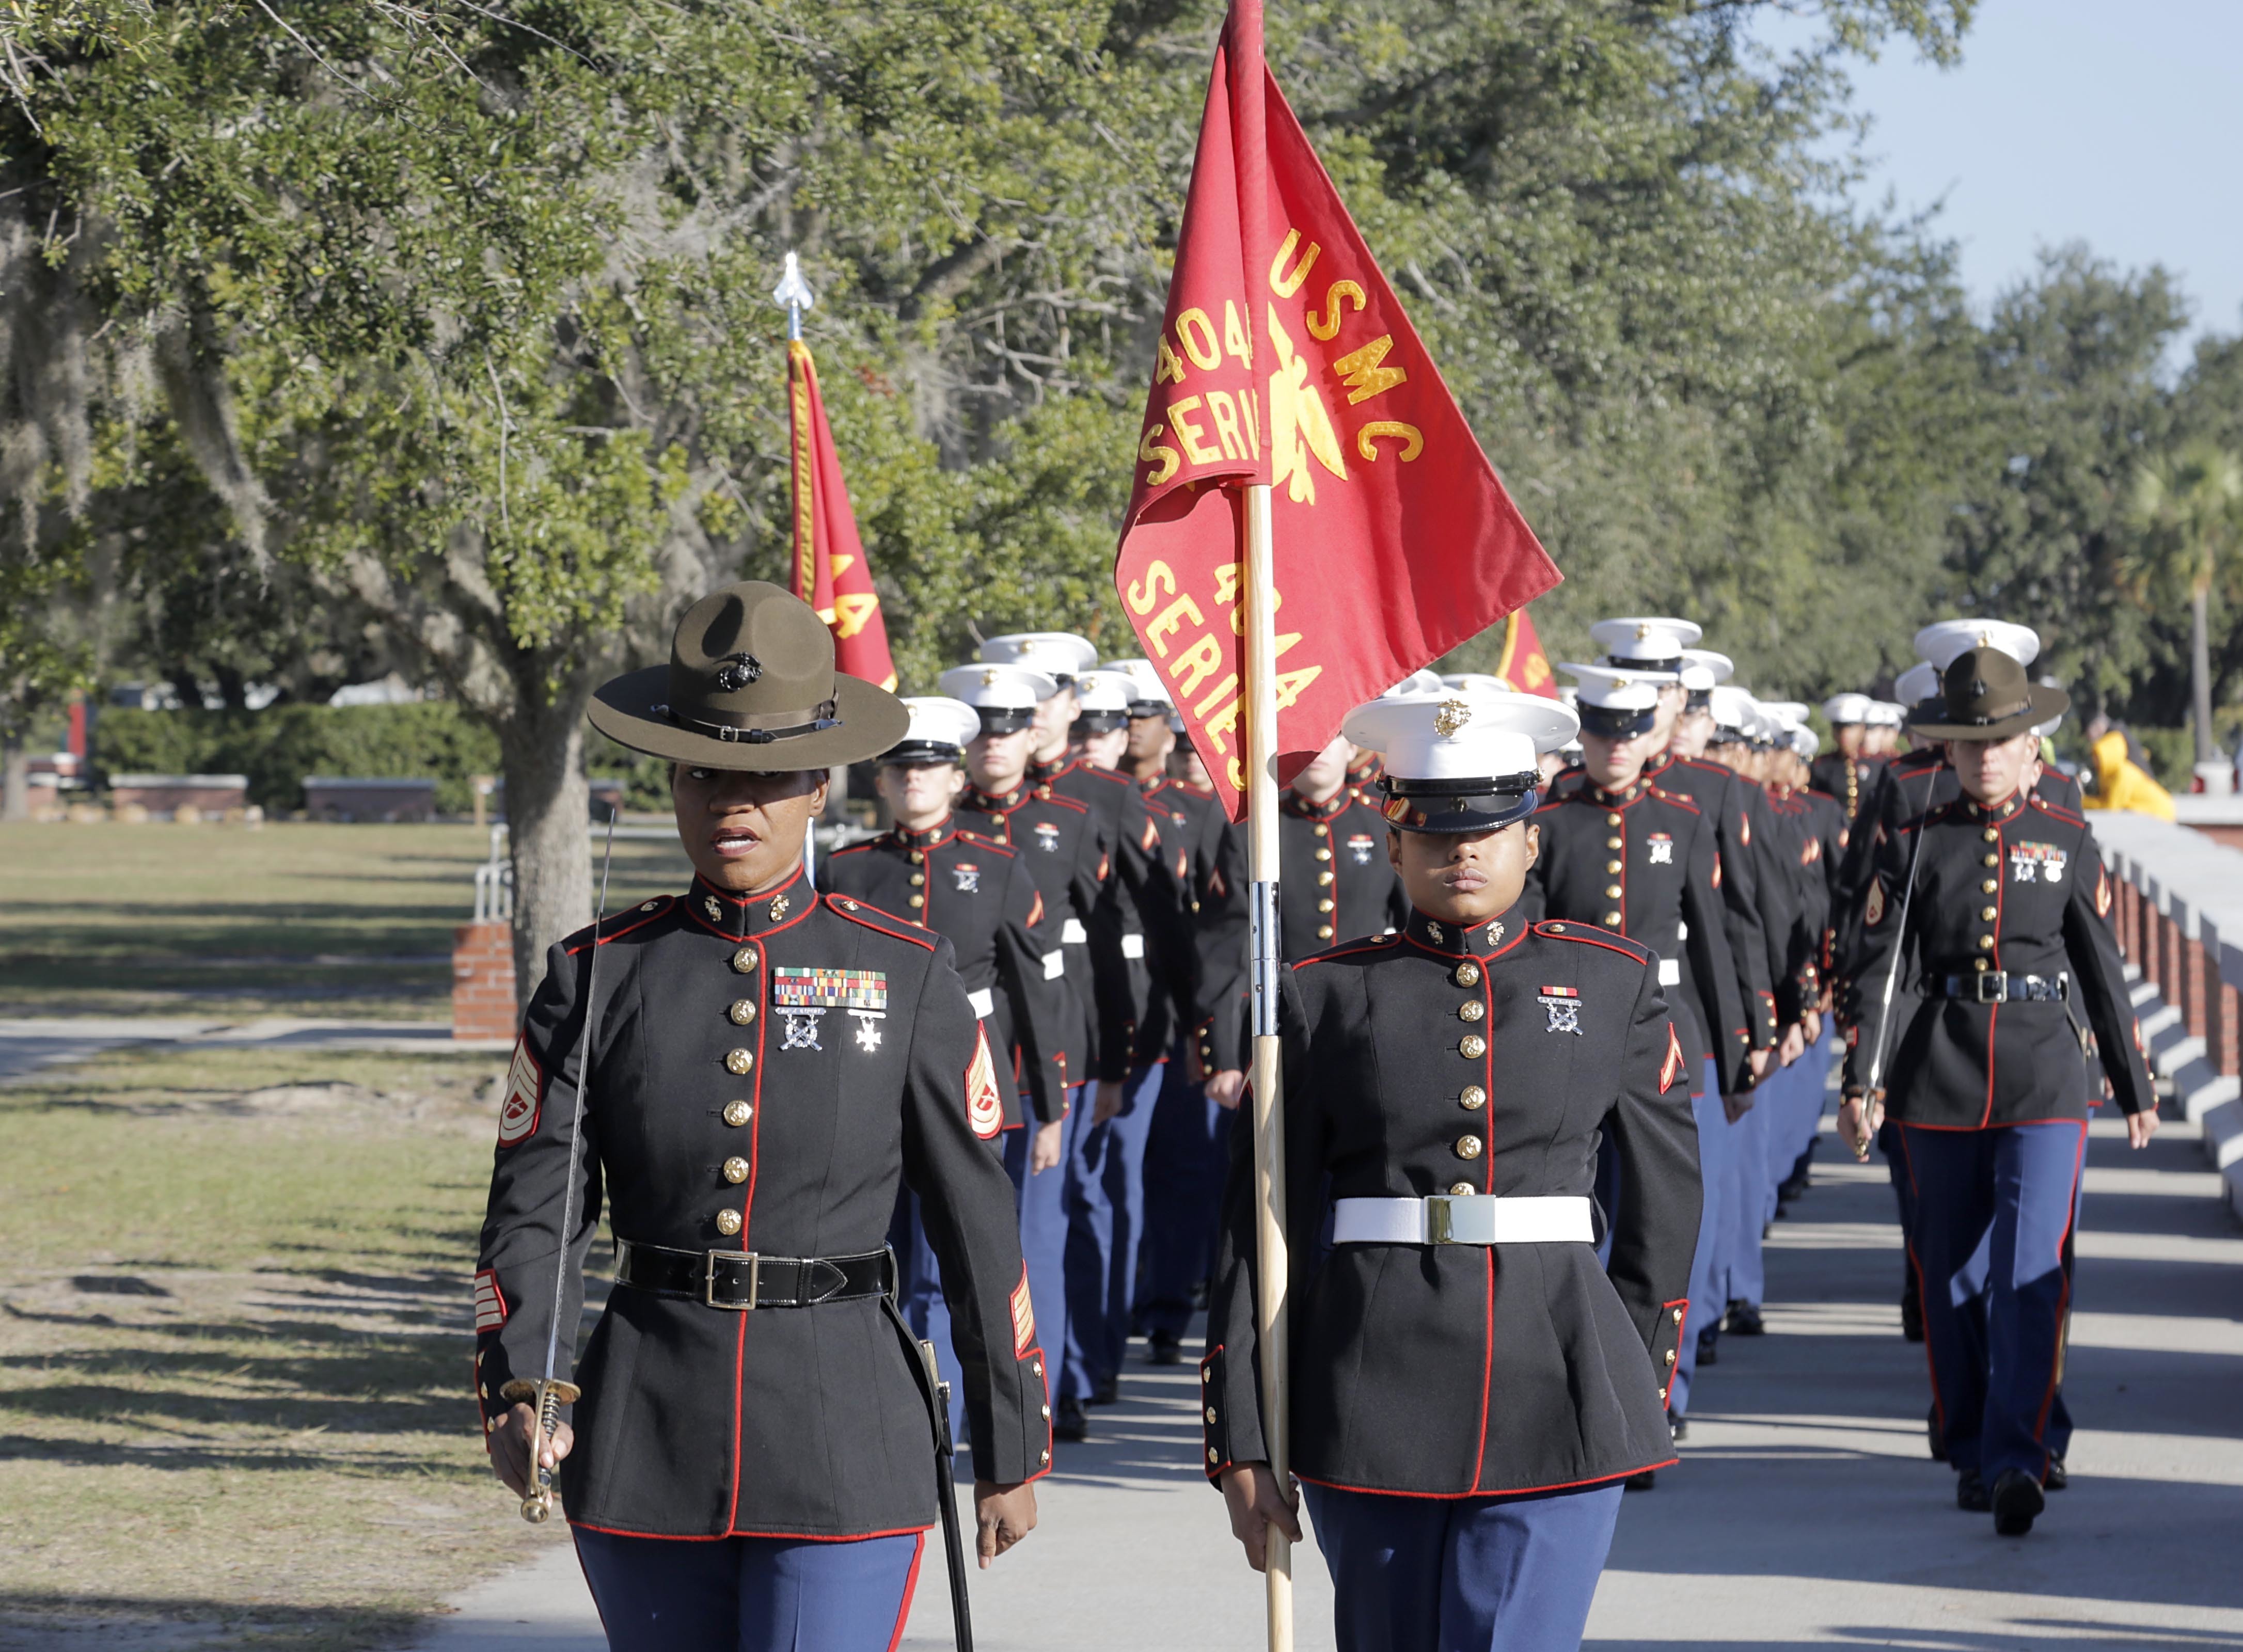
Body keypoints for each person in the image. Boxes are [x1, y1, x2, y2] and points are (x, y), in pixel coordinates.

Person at [474, 582, 1044, 1651]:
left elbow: (977, 1223)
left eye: (764, 775)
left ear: (819, 787)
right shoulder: (597, 975)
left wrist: (1011, 1439)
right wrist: (523, 1380)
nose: (732, 801)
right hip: (647, 1424)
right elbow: (538, 1209)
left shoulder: (907, 972)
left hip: (844, 1429)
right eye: (705, 773)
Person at [1210, 685, 1700, 1652]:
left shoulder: (1613, 983)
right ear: (1393, 844)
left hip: (1558, 1376)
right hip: (1371, 1386)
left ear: (1531, 838)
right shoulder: (1321, 996)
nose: (1461, 852)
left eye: (1488, 829)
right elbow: (1257, 1226)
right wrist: (1246, 1434)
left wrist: (1636, 1370)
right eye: (1432, 833)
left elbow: (1664, 1200)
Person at [1838, 643, 2155, 1538]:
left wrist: (2132, 1084)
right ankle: (1973, 1443)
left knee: (2028, 1269)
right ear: (1947, 750)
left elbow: (2100, 965)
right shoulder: (1914, 837)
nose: (1984, 757)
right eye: (1968, 743)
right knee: (1952, 1275)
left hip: (2046, 1070)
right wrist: (1865, 1082)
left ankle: (2018, 1455)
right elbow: (1885, 974)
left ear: (2031, 748)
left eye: (2001, 741)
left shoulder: (2065, 837)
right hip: (1937, 1072)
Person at [817, 694, 1069, 1445]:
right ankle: (891, 1406)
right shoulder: (847, 866)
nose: (915, 781)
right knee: (876, 1254)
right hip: (869, 1081)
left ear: (955, 780)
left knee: (952, 1258)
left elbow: (1035, 990)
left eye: (929, 768)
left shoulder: (997, 864)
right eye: (901, 770)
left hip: (971, 1083)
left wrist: (1048, 1105)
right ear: (882, 782)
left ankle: (945, 1416)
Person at [1527, 663, 1746, 1460]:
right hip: (1574, 1034)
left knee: (1662, 1217)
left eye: (1627, 735)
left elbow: (1714, 942)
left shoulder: (1681, 820)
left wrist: (1738, 1048)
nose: (1613, 749)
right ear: (1581, 734)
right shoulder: (1547, 820)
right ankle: (1592, 1388)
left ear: (1649, 735)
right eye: (1599, 733)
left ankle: (1661, 1393)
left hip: (1668, 1038)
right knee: (1588, 1218)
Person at [939, 657, 1108, 1440]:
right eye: (984, 734)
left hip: (1031, 1052)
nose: (996, 745)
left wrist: (1078, 1069)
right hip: (946, 1057)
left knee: (1038, 1238)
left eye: (1010, 730)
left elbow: (1092, 950)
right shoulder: (948, 831)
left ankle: (1053, 1385)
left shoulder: (1067, 819)